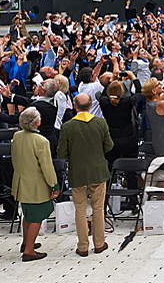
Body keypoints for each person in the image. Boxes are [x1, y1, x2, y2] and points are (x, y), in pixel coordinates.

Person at [57, 92, 113, 257]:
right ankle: (99, 243)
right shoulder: (100, 123)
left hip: (78, 171)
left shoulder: (67, 126)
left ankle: (82, 246)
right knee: (98, 208)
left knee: (80, 210)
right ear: (90, 105)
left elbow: (62, 151)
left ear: (75, 106)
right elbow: (109, 146)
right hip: (98, 170)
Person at [11, 107, 60, 261]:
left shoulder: (17, 136)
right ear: (37, 122)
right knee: (37, 217)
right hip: (36, 184)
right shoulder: (41, 141)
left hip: (21, 182)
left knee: (28, 214)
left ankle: (26, 242)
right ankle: (29, 251)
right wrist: (54, 185)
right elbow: (47, 166)